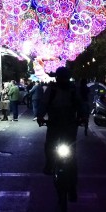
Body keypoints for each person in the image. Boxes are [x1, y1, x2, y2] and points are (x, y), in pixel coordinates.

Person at [35, 66, 86, 200]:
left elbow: (81, 105)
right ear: (57, 78)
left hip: (70, 126)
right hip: (54, 125)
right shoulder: (51, 90)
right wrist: (40, 116)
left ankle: (73, 188)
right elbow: (43, 104)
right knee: (49, 145)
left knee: (72, 158)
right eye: (61, 78)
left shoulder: (74, 90)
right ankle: (50, 164)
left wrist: (83, 117)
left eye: (65, 78)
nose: (63, 80)